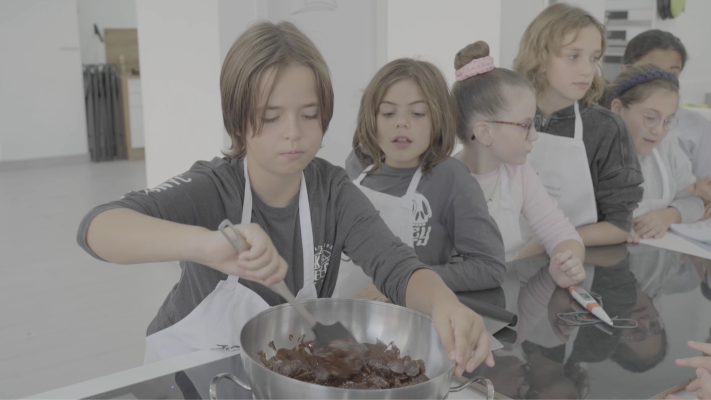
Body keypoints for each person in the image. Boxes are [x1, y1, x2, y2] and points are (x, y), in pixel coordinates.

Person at [76, 21, 492, 376]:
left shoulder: (333, 192)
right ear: (237, 120)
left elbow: (397, 267)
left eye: (309, 114)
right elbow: (98, 227)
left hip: (282, 374)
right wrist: (206, 245)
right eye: (271, 116)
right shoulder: (213, 187)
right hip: (189, 375)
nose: (293, 132)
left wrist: (444, 304)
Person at [335, 58, 507, 300]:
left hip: (410, 322)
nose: (401, 122)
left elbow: (490, 268)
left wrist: (408, 282)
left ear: (438, 120)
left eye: (417, 113)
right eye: (388, 112)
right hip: (348, 312)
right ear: (371, 118)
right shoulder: (357, 164)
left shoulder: (451, 180)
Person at [450, 40, 585, 288]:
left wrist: (567, 260)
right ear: (484, 133)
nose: (534, 135)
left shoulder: (518, 174)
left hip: (506, 300)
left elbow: (562, 234)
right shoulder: (441, 181)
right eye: (525, 125)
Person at [513, 3, 644, 252]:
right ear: (540, 58)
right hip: (500, 259)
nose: (587, 69)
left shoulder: (606, 128)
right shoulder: (506, 117)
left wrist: (545, 242)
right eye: (573, 56)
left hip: (574, 261)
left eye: (594, 58)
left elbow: (619, 225)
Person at [621, 29, 711, 220]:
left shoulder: (668, 139)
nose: (659, 130)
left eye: (668, 120)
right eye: (651, 72)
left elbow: (694, 197)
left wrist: (672, 214)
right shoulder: (601, 135)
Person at [607, 64, 704, 241]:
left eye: (668, 120)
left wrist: (668, 216)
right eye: (651, 118)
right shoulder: (597, 151)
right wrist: (608, 230)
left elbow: (695, 202)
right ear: (618, 109)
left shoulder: (667, 147)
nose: (659, 130)